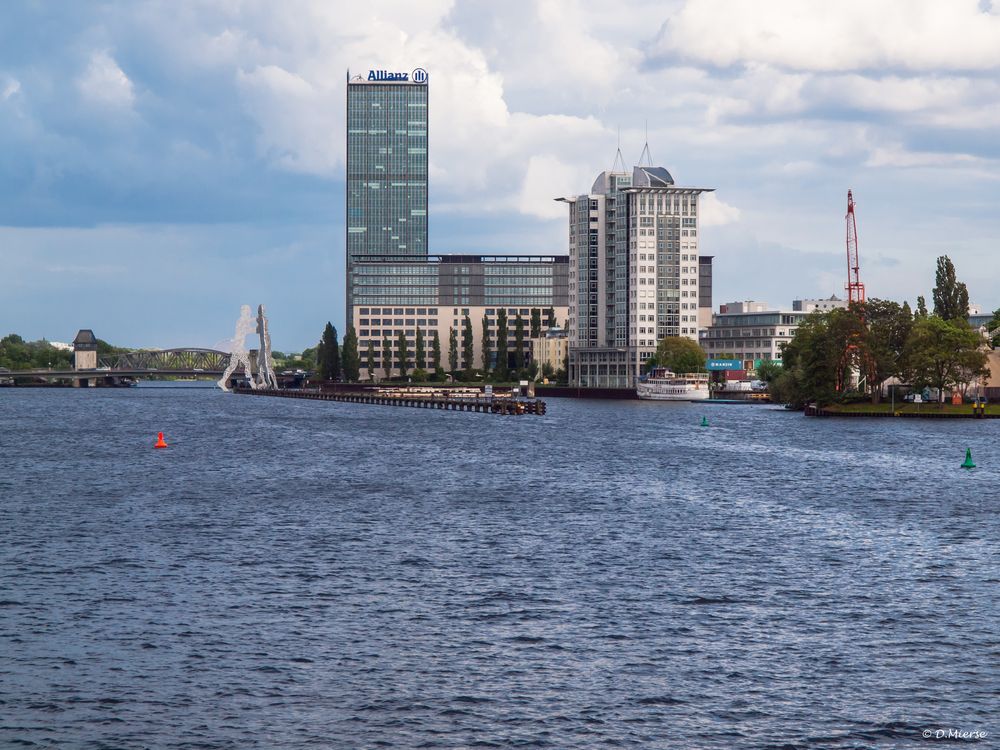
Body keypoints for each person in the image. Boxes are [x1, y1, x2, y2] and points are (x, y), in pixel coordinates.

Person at [217, 305, 258, 392]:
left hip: (238, 346)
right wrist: (258, 323)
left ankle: (222, 381)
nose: (249, 313)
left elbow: (248, 328)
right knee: (246, 364)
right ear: (244, 312)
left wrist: (257, 325)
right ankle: (252, 384)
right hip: (238, 346)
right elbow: (248, 328)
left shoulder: (242, 320)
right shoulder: (242, 320)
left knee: (233, 366)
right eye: (248, 311)